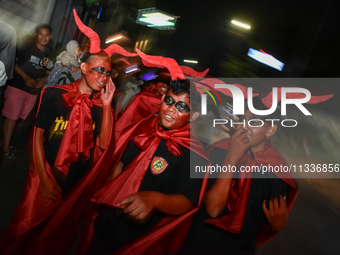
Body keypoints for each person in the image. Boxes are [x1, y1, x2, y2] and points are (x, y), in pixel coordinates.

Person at [0, 10, 137, 254]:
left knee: (53, 238)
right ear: (83, 67)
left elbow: (104, 145)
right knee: (26, 230)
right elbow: (38, 137)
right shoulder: (53, 95)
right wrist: (42, 178)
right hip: (47, 173)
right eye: (97, 70)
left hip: (75, 183)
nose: (103, 77)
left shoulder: (101, 106)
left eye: (107, 73)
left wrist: (107, 107)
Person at [85, 78, 208, 255]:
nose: (172, 109)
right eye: (169, 101)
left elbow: (187, 201)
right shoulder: (142, 127)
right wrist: (108, 200)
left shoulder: (194, 154)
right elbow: (120, 165)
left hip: (138, 239)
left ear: (194, 115)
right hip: (108, 225)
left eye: (182, 107)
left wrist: (155, 199)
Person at [179, 96, 297, 255]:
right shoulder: (219, 151)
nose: (244, 126)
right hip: (199, 244)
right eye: (242, 119)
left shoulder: (276, 171)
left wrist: (277, 226)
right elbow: (213, 209)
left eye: (254, 122)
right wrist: (231, 159)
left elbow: (266, 222)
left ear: (270, 130)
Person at [2, 23, 53, 158]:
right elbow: (13, 63)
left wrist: (43, 80)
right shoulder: (26, 47)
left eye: (46, 35)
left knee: (22, 120)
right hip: (18, 86)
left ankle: (11, 143)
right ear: (36, 34)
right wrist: (25, 77)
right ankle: (5, 147)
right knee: (12, 117)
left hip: (34, 92)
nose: (43, 37)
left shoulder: (49, 52)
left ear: (50, 36)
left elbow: (49, 72)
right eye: (41, 34)